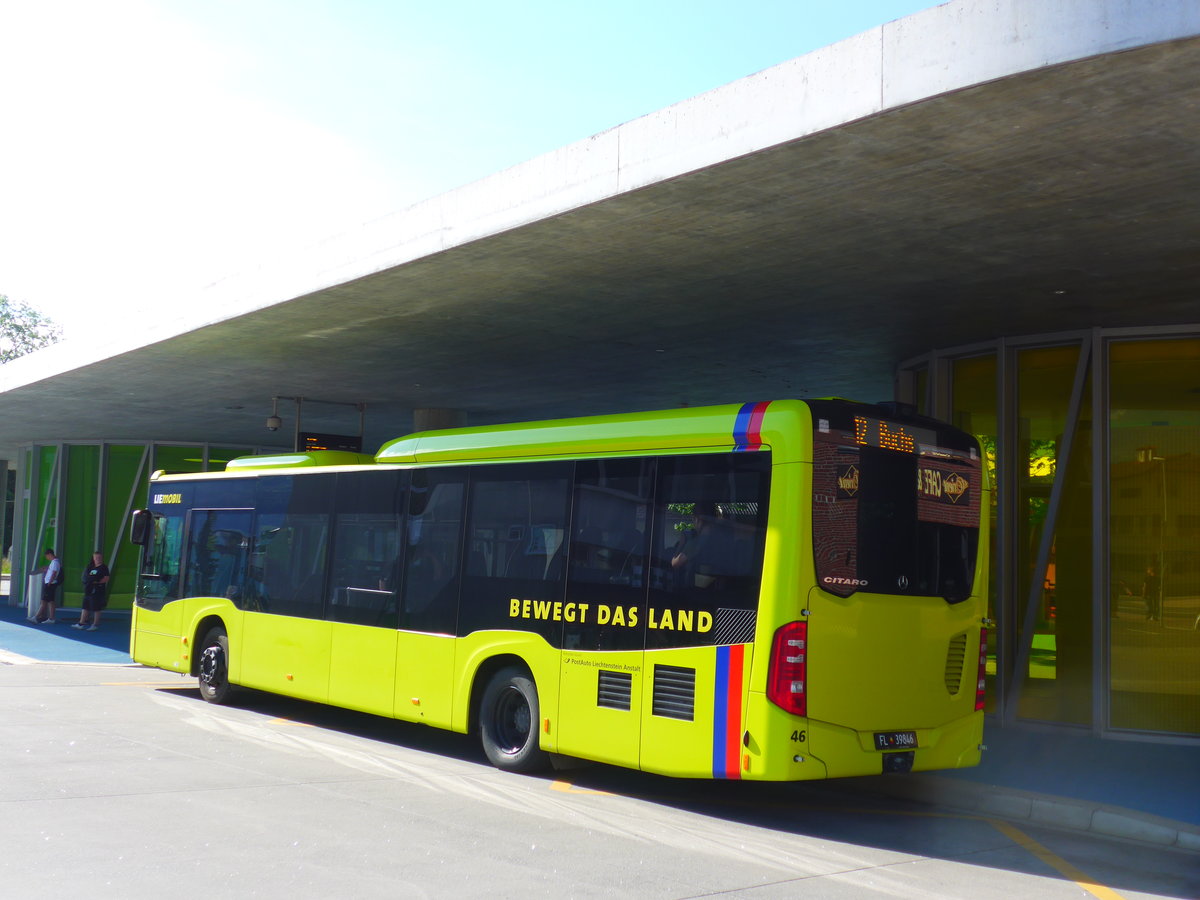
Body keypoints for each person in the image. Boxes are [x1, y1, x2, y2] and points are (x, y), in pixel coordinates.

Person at [73, 551, 110, 632]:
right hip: (88, 590)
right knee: (85, 606)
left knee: (96, 608)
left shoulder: (104, 567)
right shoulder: (90, 567)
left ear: (102, 558)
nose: (97, 559)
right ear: (93, 558)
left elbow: (106, 578)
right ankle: (81, 623)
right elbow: (85, 577)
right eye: (96, 557)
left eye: (99, 557)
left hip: (97, 591)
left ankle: (95, 624)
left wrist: (97, 582)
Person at [33, 548, 63, 624]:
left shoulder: (55, 562)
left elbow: (54, 573)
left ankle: (37, 617)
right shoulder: (54, 562)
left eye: (47, 556)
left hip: (51, 584)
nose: (47, 558)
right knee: (50, 601)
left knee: (45, 601)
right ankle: (50, 618)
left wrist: (49, 582)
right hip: (50, 583)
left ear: (50, 554)